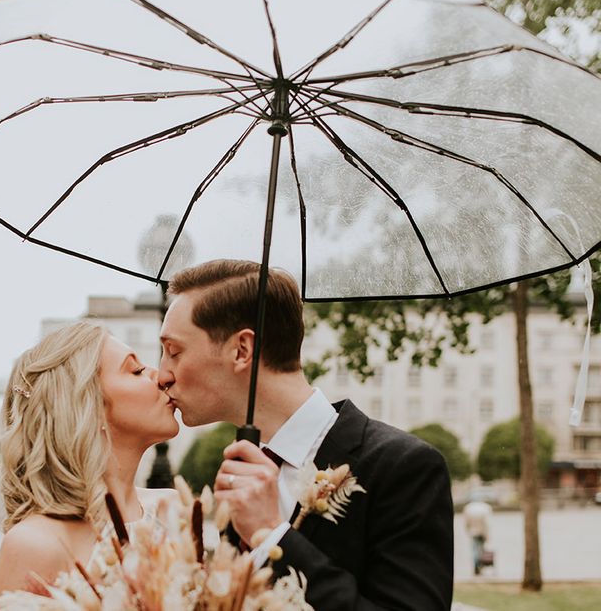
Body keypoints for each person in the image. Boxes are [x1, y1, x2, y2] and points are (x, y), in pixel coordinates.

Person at [158, 259, 454, 611]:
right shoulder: (243, 471)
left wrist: (272, 536)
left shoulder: (403, 468)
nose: (162, 374)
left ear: (241, 350)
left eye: (174, 352)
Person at [0, 321, 179, 601]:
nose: (160, 376)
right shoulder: (35, 546)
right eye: (136, 370)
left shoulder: (174, 511)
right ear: (90, 407)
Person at [462, 496, 493, 575]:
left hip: (473, 532)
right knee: (481, 549)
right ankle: (479, 565)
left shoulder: (468, 509)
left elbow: (466, 522)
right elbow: (487, 524)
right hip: (482, 532)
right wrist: (487, 535)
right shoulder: (485, 508)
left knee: (474, 549)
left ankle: (477, 565)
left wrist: (468, 531)